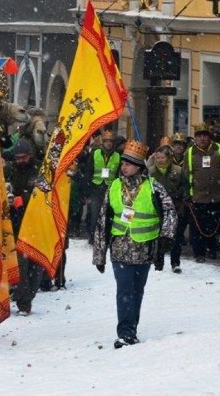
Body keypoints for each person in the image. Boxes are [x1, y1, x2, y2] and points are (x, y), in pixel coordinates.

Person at [93, 139, 177, 348]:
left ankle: (132, 328)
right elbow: (103, 219)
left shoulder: (153, 187)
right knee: (124, 291)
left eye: (128, 163)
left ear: (139, 167)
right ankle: (125, 332)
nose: (124, 167)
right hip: (120, 249)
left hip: (144, 250)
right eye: (123, 163)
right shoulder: (114, 186)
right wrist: (99, 254)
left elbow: (170, 211)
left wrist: (166, 238)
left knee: (137, 291)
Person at [4, 138, 43, 315]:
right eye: (17, 158)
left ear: (30, 156)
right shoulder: (9, 170)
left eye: (24, 157)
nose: (20, 161)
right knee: (22, 263)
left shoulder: (40, 170)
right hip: (15, 224)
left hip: (36, 223)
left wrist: (24, 198)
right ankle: (23, 301)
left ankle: (28, 294)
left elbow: (43, 194)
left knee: (36, 266)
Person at [185, 122, 220, 262]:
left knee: (215, 225)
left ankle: (212, 249)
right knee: (197, 227)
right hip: (197, 196)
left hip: (216, 196)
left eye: (205, 135)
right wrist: (188, 194)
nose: (202, 139)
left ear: (209, 137)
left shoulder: (219, 150)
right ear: (195, 138)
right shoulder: (190, 152)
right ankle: (199, 252)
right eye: (199, 136)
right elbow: (185, 174)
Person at [147, 145, 188, 273]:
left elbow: (186, 187)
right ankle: (158, 263)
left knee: (176, 237)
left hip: (175, 209)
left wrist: (179, 195)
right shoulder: (150, 172)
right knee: (159, 237)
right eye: (157, 157)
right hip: (158, 210)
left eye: (162, 157)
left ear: (169, 157)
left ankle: (175, 262)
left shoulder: (178, 171)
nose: (160, 160)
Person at [81, 130, 121, 242]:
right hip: (96, 187)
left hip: (110, 188)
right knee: (95, 213)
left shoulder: (118, 155)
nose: (108, 144)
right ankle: (93, 237)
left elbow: (118, 174)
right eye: (106, 141)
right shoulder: (95, 153)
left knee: (108, 214)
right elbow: (89, 171)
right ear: (102, 142)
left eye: (110, 142)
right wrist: (87, 189)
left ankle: (106, 237)